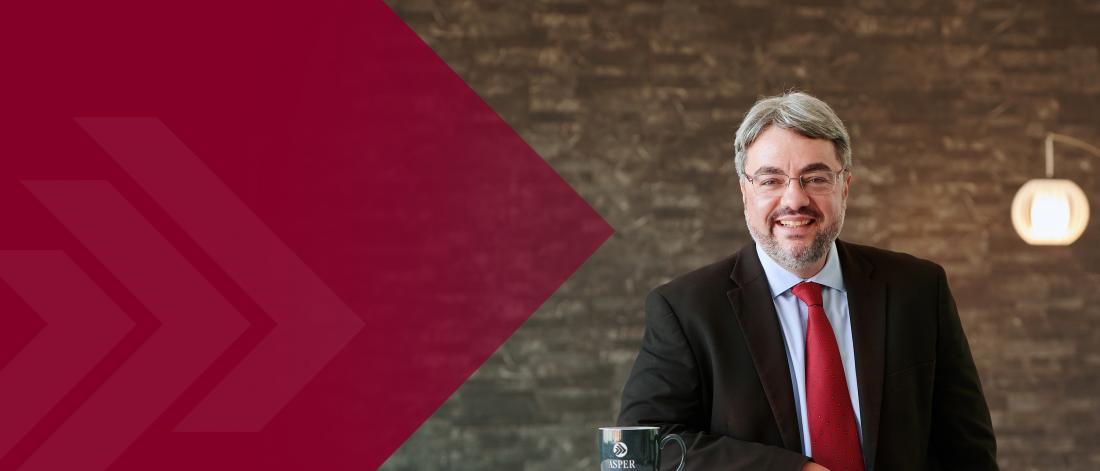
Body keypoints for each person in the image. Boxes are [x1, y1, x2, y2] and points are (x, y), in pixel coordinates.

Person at [617, 91, 998, 471]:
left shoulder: (917, 289)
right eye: (771, 181)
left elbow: (968, 450)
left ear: (844, 187)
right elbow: (643, 448)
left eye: (815, 178)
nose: (795, 199)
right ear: (744, 193)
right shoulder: (687, 309)